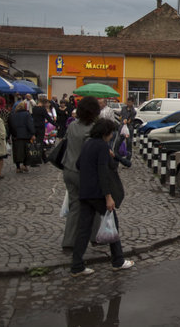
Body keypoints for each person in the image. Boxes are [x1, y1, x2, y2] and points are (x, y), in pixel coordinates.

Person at [70, 118, 134, 277]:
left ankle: (77, 265)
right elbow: (103, 173)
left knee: (83, 230)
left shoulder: (88, 144)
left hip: (85, 192)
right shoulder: (102, 147)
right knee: (112, 224)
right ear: (105, 133)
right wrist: (108, 197)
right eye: (111, 132)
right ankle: (118, 261)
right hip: (98, 194)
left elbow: (78, 165)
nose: (112, 135)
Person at [62, 96, 101, 250]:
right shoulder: (92, 130)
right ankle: (96, 236)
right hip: (83, 173)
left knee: (75, 206)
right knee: (97, 203)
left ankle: (68, 241)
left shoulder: (72, 126)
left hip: (68, 170)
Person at [8, 102, 35, 173]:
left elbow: (10, 125)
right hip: (25, 135)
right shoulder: (27, 114)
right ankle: (25, 165)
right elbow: (30, 124)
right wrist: (33, 133)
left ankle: (18, 167)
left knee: (17, 151)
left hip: (16, 136)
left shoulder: (12, 115)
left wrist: (10, 135)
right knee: (26, 151)